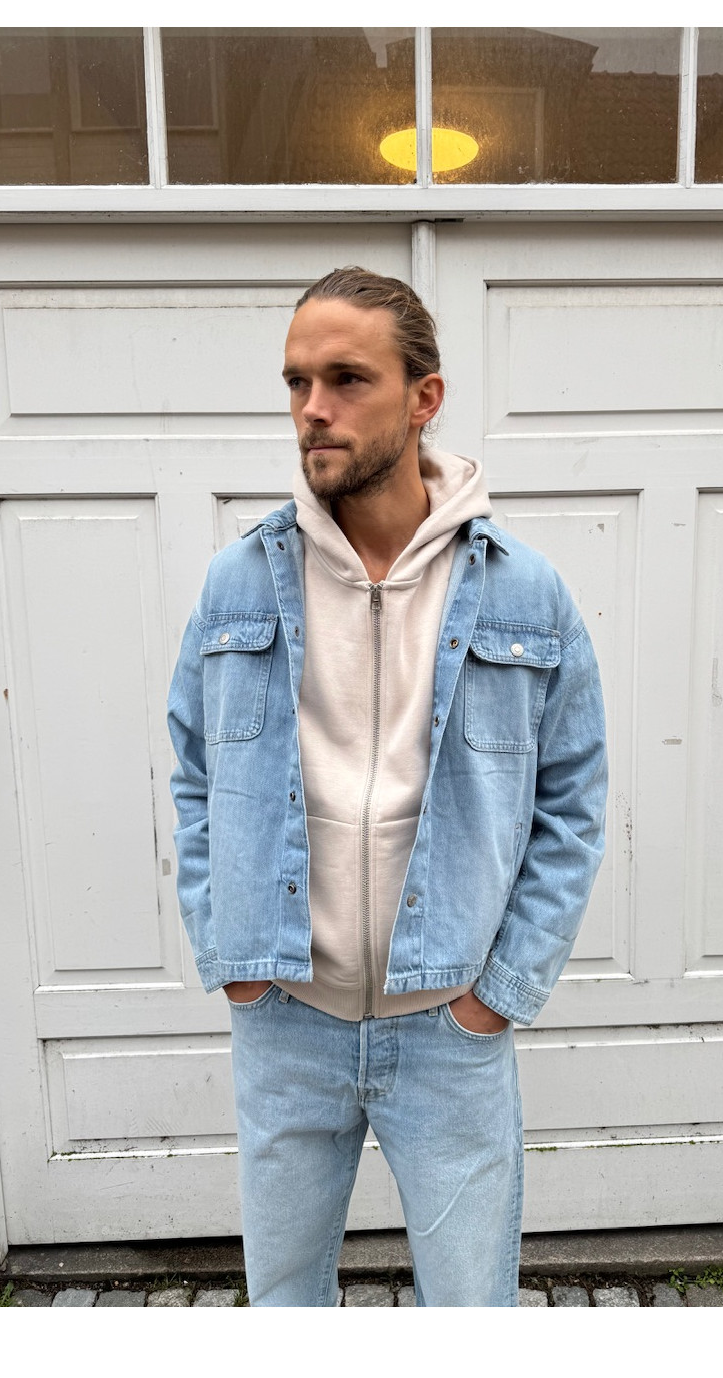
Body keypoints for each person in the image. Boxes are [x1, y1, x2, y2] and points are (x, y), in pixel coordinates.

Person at [167, 267, 608, 1307]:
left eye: (346, 379)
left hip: (448, 1027)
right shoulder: (239, 582)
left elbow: (573, 805)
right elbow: (193, 775)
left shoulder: (523, 592)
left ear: (423, 398)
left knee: (470, 1306)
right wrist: (231, 959)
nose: (312, 409)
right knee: (284, 1304)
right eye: (297, 381)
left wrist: (496, 998)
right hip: (286, 1013)